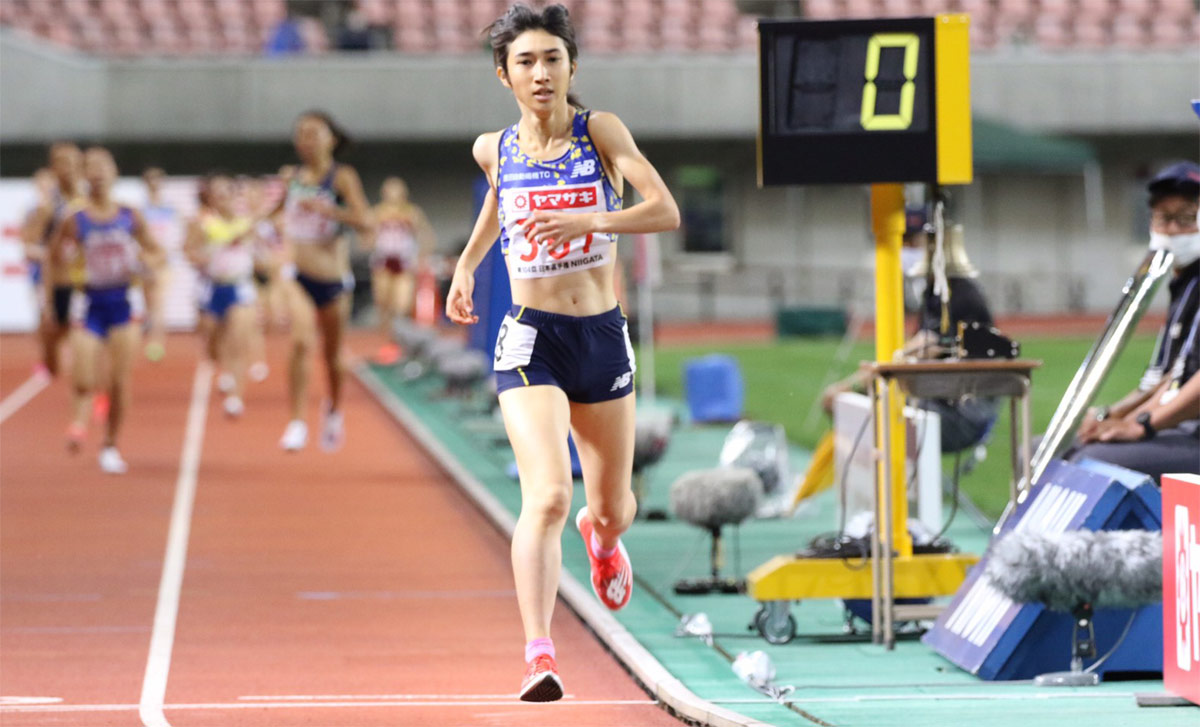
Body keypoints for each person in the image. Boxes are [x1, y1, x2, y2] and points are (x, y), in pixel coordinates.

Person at [445, 3, 679, 702]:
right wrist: (465, 264)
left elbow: (663, 210)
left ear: (572, 66)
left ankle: (602, 540)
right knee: (546, 493)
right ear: (503, 75)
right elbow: (498, 201)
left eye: (552, 58)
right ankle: (539, 655)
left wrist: (590, 217)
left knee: (612, 507)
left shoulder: (598, 131)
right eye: (525, 61)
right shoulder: (495, 147)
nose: (540, 72)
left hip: (600, 335)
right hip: (529, 341)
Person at [1068, 161, 1200, 483]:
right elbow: (1171, 379)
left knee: (1086, 461)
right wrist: (1114, 414)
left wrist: (1143, 424)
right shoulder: (1182, 283)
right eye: (1163, 218)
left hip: (1191, 432)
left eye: (1185, 219)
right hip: (1182, 427)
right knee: (1051, 449)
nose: (1171, 230)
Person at [821, 221, 999, 456]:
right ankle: (886, 484)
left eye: (916, 244)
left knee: (881, 412)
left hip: (964, 413)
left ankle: (897, 487)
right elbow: (914, 353)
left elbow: (925, 347)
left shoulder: (961, 295)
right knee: (862, 408)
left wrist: (860, 381)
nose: (911, 252)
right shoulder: (933, 294)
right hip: (937, 399)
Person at [48, 147, 163, 474]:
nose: (96, 172)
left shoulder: (129, 214)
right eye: (90, 167)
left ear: (114, 173)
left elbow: (156, 251)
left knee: (118, 381)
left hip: (123, 304)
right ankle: (85, 410)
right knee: (83, 377)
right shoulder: (75, 218)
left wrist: (145, 265)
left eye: (103, 166)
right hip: (90, 305)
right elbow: (55, 256)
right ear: (84, 175)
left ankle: (111, 444)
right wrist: (72, 271)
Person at [276, 111, 371, 452]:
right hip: (297, 274)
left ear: (331, 138)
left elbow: (365, 221)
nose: (306, 140)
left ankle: (333, 410)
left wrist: (330, 211)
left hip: (332, 278)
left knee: (332, 356)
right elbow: (273, 212)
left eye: (314, 133)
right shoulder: (291, 178)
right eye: (300, 133)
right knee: (301, 341)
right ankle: (297, 421)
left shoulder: (342, 177)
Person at [184, 172, 260, 418]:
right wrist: (201, 257)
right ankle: (222, 367)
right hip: (211, 287)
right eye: (216, 194)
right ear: (210, 198)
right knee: (213, 344)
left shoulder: (247, 221)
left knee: (239, 341)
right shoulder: (202, 223)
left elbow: (264, 241)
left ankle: (236, 397)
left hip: (239, 286)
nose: (222, 198)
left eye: (226, 193)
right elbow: (188, 250)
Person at [23, 142, 84, 378]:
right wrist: (47, 252)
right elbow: (29, 244)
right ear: (53, 168)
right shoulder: (47, 207)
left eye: (73, 162)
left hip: (83, 283)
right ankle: (50, 364)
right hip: (55, 280)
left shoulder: (88, 201)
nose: (68, 168)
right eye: (62, 163)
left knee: (85, 337)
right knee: (52, 333)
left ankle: (91, 388)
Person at [368, 176, 434, 364]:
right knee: (384, 303)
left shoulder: (412, 212)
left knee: (402, 304)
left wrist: (422, 257)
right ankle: (386, 343)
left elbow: (426, 234)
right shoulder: (378, 212)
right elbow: (366, 236)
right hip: (383, 263)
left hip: (404, 263)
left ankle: (399, 345)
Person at [140, 166, 178, 362]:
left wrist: (160, 258)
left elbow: (173, 239)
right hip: (145, 263)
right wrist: (145, 259)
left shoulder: (169, 209)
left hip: (163, 263)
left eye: (157, 181)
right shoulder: (141, 210)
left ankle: (156, 343)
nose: (154, 185)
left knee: (158, 304)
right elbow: (137, 239)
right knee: (149, 305)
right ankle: (151, 336)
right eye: (151, 181)